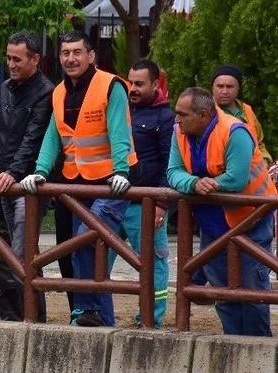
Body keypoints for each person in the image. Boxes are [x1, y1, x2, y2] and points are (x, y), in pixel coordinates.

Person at [20, 31, 137, 327]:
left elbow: (119, 132)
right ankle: (97, 319)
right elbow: (53, 136)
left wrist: (122, 171)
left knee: (87, 239)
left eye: (77, 52)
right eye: (65, 53)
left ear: (91, 56)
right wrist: (40, 170)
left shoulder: (111, 86)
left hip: (111, 183)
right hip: (76, 182)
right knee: (79, 247)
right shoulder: (59, 91)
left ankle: (87, 310)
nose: (70, 58)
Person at [167, 87, 276, 337]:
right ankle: (233, 342)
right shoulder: (179, 132)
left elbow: (236, 179)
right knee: (223, 293)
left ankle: (258, 345)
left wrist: (210, 184)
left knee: (252, 291)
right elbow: (173, 172)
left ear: (203, 115)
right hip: (212, 225)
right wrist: (193, 183)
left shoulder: (235, 132)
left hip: (250, 221)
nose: (177, 119)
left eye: (183, 114)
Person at [0, 31, 55, 321]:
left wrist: (12, 173)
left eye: (17, 59)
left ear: (35, 59)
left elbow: (33, 139)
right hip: (6, 180)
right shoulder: (4, 88)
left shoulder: (46, 92)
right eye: (8, 58)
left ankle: (32, 317)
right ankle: (26, 315)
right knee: (17, 253)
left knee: (20, 253)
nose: (11, 64)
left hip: (30, 183)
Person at [109, 59, 174, 329]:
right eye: (130, 82)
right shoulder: (120, 109)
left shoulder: (166, 118)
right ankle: (98, 313)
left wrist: (161, 204)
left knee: (152, 263)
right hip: (114, 199)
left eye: (139, 84)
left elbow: (170, 163)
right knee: (98, 256)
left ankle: (150, 319)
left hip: (146, 203)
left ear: (155, 84)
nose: (132, 88)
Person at [211, 64, 272, 165]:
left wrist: (265, 160)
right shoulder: (205, 112)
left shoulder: (247, 110)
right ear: (212, 88)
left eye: (230, 87)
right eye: (220, 86)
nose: (224, 91)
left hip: (254, 169)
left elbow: (259, 143)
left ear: (238, 88)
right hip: (222, 171)